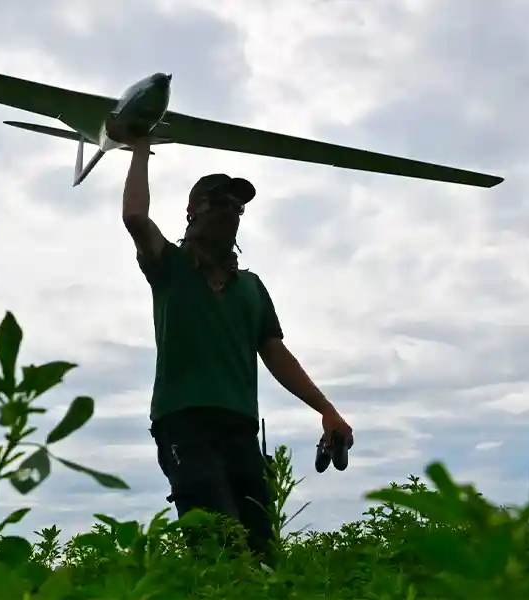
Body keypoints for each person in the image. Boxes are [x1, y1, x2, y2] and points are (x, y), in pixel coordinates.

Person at [121, 135, 354, 566]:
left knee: (263, 551)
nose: (229, 212)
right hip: (183, 422)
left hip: (240, 429)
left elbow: (276, 354)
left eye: (237, 207)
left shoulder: (251, 288)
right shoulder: (169, 267)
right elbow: (135, 217)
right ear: (193, 211)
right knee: (218, 546)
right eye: (219, 203)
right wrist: (140, 146)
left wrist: (327, 410)